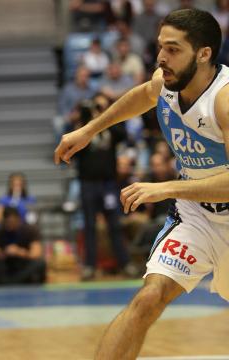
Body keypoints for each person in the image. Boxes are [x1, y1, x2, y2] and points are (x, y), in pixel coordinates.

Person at [54, 9, 229, 359]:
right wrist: (90, 130)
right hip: (197, 218)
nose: (162, 57)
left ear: (204, 53)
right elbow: (143, 96)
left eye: (174, 49)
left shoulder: (223, 101)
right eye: (160, 46)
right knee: (149, 298)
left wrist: (165, 188)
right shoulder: (167, 80)